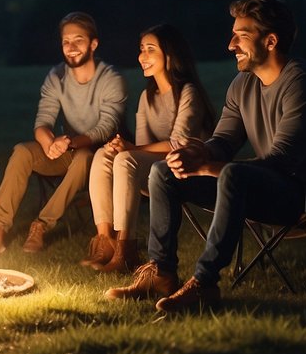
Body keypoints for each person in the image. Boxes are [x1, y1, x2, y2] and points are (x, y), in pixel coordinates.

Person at [105, 0, 306, 313]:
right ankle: (161, 273)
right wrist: (196, 151)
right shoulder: (242, 85)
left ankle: (204, 283)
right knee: (164, 172)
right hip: (261, 188)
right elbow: (223, 142)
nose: (231, 44)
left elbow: (283, 161)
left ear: (270, 41)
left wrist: (209, 166)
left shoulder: (302, 83)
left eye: (241, 35)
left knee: (232, 173)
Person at [0, 12, 127, 258]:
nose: (70, 48)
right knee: (22, 151)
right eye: (65, 41)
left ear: (93, 44)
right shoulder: (56, 76)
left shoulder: (111, 79)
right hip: (66, 151)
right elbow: (43, 121)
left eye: (78, 40)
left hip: (103, 156)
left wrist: (67, 143)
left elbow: (105, 128)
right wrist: (49, 143)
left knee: (82, 158)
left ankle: (41, 225)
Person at [83, 24, 215, 273]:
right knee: (103, 154)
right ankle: (106, 242)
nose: (142, 56)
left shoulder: (188, 92)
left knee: (125, 159)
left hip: (188, 171)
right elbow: (141, 147)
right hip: (155, 170)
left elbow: (179, 144)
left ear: (169, 54)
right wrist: (122, 148)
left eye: (150, 49)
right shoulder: (147, 97)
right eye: (141, 49)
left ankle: (126, 250)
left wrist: (131, 149)